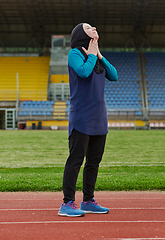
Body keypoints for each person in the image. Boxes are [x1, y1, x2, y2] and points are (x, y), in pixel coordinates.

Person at [58, 23, 118, 217]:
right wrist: (91, 55)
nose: (94, 28)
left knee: (93, 162)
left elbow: (114, 75)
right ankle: (67, 203)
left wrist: (99, 55)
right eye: (89, 27)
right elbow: (83, 72)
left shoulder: (97, 58)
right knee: (75, 161)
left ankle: (88, 200)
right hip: (81, 117)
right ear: (80, 33)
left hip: (99, 118)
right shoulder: (74, 53)